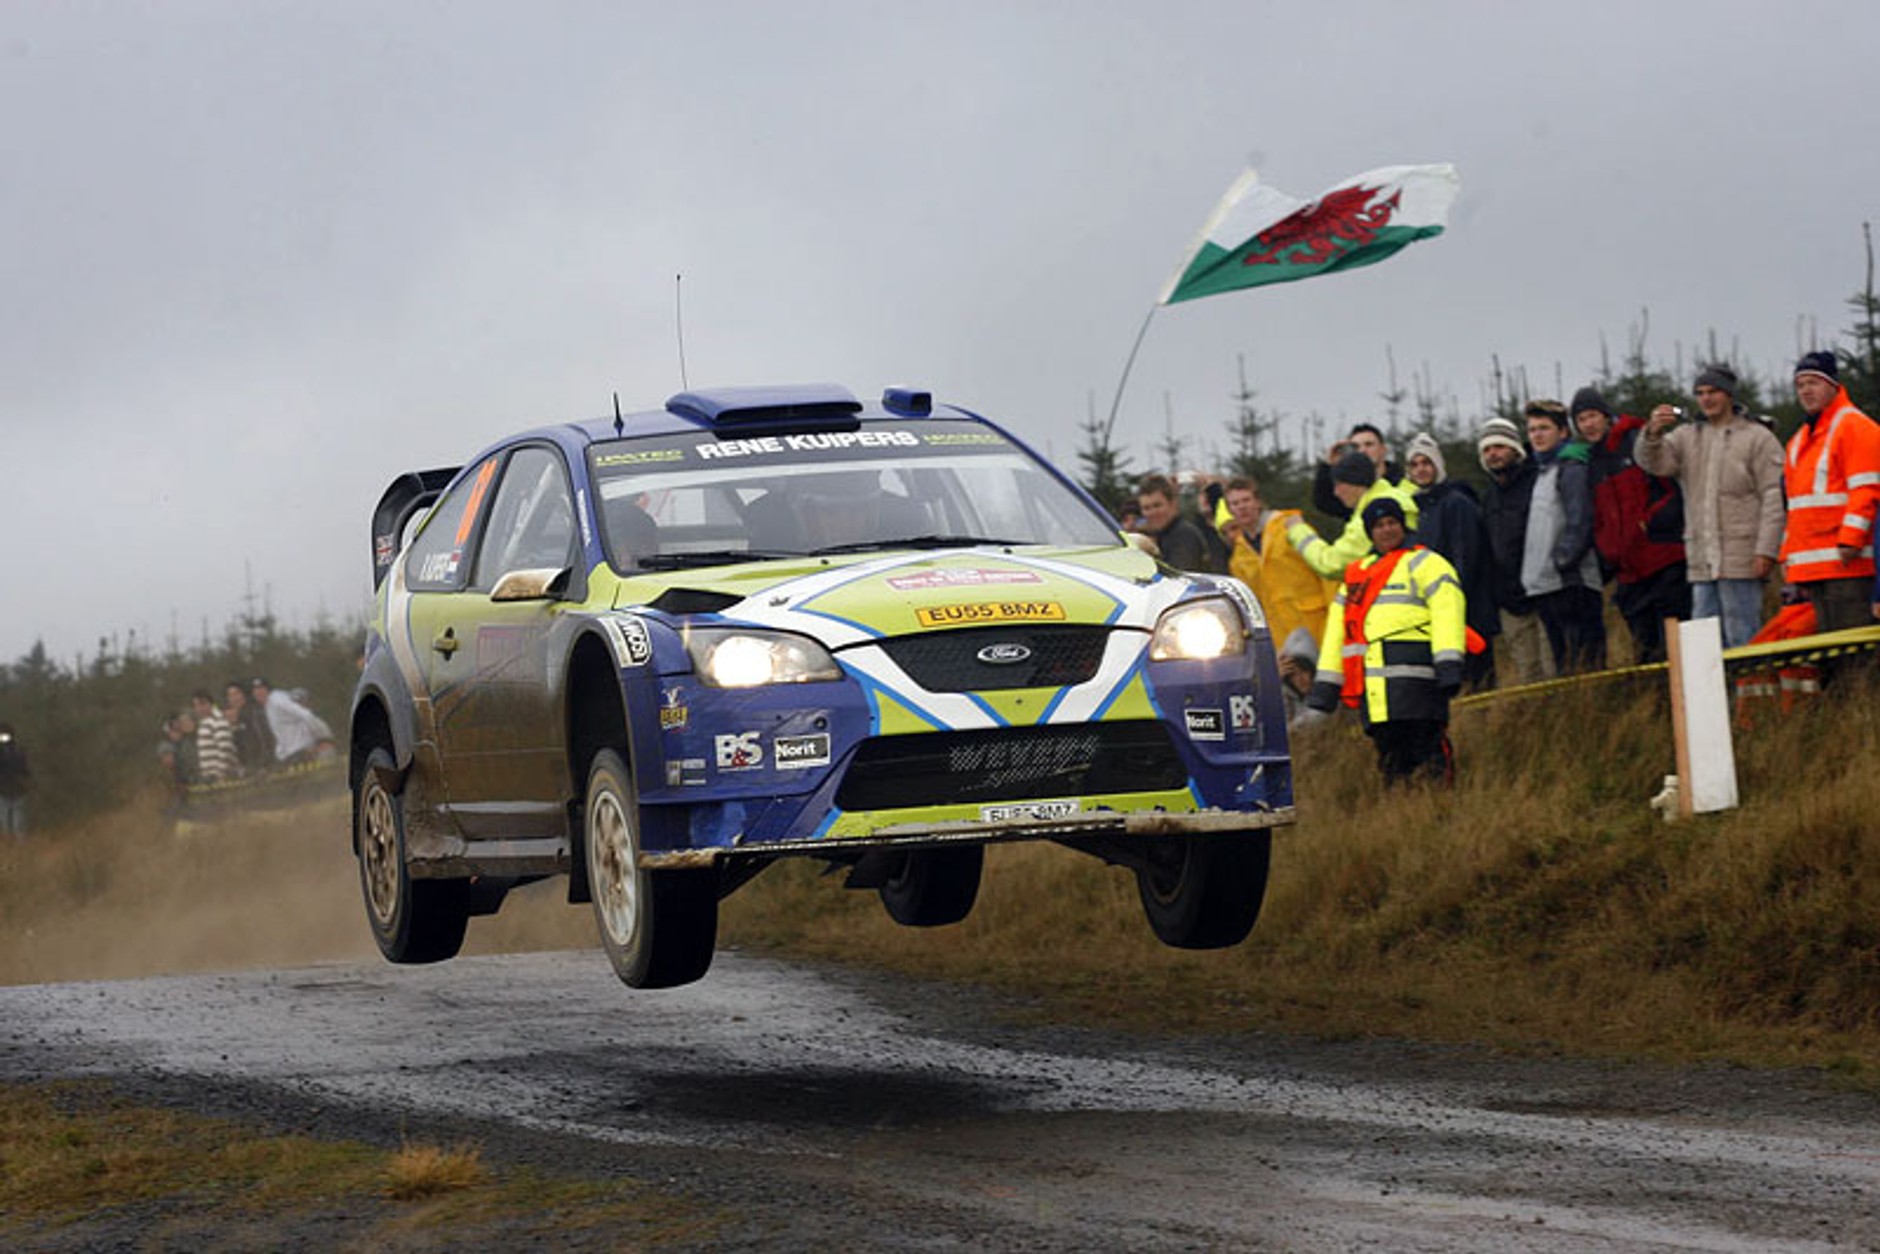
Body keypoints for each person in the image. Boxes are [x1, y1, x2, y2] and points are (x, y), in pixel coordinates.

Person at [1306, 498, 1466, 785]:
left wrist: (1449, 663)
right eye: (1379, 525)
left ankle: (1443, 810)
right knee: (1391, 764)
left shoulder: (1425, 562)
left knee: (1430, 756)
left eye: (1392, 522)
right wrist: (1326, 687)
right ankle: (1401, 817)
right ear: (1370, 532)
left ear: (1403, 526)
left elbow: (1448, 610)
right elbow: (1337, 633)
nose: (1387, 530)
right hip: (1376, 693)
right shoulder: (1356, 576)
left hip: (1420, 684)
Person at [1636, 364, 1787, 649]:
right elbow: (1654, 463)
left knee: (1742, 634)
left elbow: (1774, 497)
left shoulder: (1758, 438)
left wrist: (1766, 549)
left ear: (1729, 395)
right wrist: (1652, 433)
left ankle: (1748, 692)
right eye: (1700, 393)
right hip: (1702, 561)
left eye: (1713, 391)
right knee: (1703, 642)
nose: (1706, 399)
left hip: (1742, 558)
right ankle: (1714, 694)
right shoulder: (1686, 436)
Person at [1571, 386, 1689, 664]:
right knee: (1645, 652)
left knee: (1676, 646)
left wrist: (1653, 524)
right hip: (1629, 573)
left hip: (1664, 562)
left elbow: (1672, 489)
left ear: (1606, 415)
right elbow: (1598, 516)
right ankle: (1658, 706)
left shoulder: (1636, 441)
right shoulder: (1591, 464)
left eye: (1592, 416)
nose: (1588, 424)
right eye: (1581, 420)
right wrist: (1607, 550)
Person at [1778, 351, 1880, 633]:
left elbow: (1867, 490)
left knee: (1854, 650)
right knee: (1830, 653)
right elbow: (1795, 507)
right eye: (1800, 385)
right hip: (1814, 567)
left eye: (1814, 382)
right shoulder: (1799, 440)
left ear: (1834, 385)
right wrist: (1788, 554)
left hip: (1848, 565)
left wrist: (1850, 542)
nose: (1806, 391)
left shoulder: (1856, 427)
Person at [1403, 432, 1498, 689]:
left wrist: (1451, 601)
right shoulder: (1423, 511)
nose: (1421, 469)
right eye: (1415, 464)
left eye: (1426, 463)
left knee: (1480, 681)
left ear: (1438, 465)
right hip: (1443, 614)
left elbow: (1466, 557)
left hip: (1469, 610)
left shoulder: (1456, 503)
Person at [1522, 399, 1606, 673]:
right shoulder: (1541, 472)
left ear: (1563, 432)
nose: (1537, 435)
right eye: (1532, 429)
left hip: (1571, 584)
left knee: (1585, 664)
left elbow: (1580, 519)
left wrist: (1562, 560)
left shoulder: (1571, 468)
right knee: (1565, 667)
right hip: (1546, 585)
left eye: (1544, 428)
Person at [1219, 475, 1336, 648]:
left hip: (1315, 624)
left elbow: (1325, 570)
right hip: (1280, 637)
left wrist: (1337, 618)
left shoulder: (1289, 528)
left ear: (1258, 502)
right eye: (1235, 504)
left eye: (1246, 500)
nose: (1242, 507)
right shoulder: (1239, 556)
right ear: (1230, 510)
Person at [1478, 417, 1553, 686]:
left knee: (1554, 672)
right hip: (1510, 603)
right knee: (1527, 678)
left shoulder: (1539, 482)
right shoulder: (1488, 497)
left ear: (1514, 448)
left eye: (1499, 446)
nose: (1493, 454)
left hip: (1545, 594)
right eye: (1487, 450)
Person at [1286, 450, 1420, 580]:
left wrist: (1298, 530)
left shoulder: (1374, 514)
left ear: (1355, 482)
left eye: (1339, 484)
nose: (1336, 493)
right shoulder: (1397, 496)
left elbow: (1331, 564)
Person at [1312, 422, 1404, 521]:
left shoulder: (1402, 483)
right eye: (1356, 447)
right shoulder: (1351, 487)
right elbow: (1324, 503)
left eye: (1369, 445)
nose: (1362, 451)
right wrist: (1328, 465)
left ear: (1383, 449)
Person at [1134, 473, 1220, 572]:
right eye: (1146, 508)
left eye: (1157, 505)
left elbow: (1178, 577)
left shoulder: (1184, 535)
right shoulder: (1159, 537)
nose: (1152, 513)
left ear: (1173, 504)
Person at [251, 678, 337, 766]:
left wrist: (324, 739)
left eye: (261, 689)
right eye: (255, 690)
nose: (258, 692)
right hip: (289, 756)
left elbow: (306, 715)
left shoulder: (277, 699)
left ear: (268, 689)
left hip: (302, 752)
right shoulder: (268, 706)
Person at [190, 690, 242, 784]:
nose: (199, 708)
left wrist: (220, 774)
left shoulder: (218, 721)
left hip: (224, 777)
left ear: (211, 704)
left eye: (203, 704)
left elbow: (225, 749)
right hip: (209, 777)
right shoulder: (203, 723)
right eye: (196, 705)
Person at [225, 680, 274, 772]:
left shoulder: (254, 712)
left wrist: (264, 763)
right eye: (230, 695)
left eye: (236, 694)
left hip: (264, 766)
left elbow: (265, 738)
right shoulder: (234, 718)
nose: (234, 698)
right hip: (248, 768)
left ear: (243, 694)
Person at [0, 723, 30, 837]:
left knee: (18, 820)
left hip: (17, 788)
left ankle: (20, 842)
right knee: (5, 820)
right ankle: (9, 841)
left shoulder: (18, 750)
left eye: (5, 735)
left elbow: (24, 768)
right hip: (3, 789)